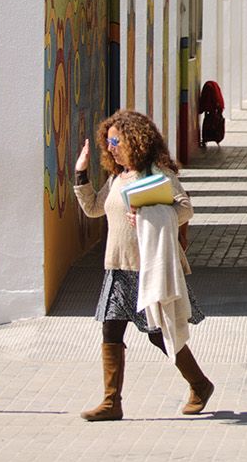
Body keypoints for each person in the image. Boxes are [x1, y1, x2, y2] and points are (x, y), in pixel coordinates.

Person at [73, 109, 213, 421]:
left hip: (149, 267)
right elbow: (94, 209)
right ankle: (111, 402)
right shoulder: (116, 178)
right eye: (107, 142)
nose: (110, 148)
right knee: (110, 330)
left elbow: (185, 209)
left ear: (134, 141)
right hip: (117, 268)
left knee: (158, 332)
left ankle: (200, 384)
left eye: (116, 141)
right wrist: (81, 174)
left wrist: (150, 216)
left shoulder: (156, 173)